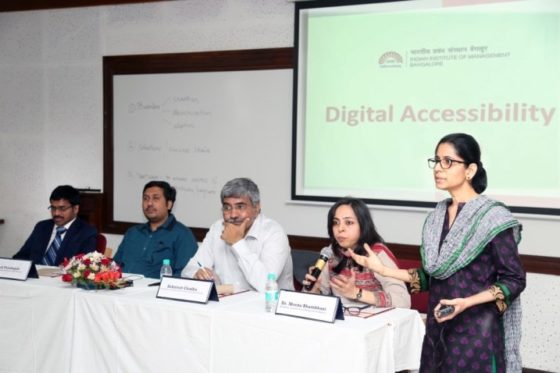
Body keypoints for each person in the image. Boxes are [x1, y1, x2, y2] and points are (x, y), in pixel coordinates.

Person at [349, 133, 526, 373]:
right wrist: (382, 270)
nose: (438, 169)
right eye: (436, 161)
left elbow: (514, 280)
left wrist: (466, 303)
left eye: (448, 161)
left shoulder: (493, 218)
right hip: (438, 327)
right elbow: (433, 276)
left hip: (477, 332)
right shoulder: (436, 218)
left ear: (470, 170)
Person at [181, 177, 294, 294]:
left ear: (257, 208)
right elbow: (189, 269)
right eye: (227, 207)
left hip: (268, 307)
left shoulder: (274, 233)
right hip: (226, 306)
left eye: (240, 207)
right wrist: (196, 273)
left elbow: (266, 285)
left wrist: (237, 243)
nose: (233, 214)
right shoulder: (217, 228)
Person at [301, 197, 410, 309]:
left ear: (363, 226)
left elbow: (402, 302)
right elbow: (308, 306)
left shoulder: (376, 255)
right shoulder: (330, 254)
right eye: (335, 222)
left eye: (349, 222)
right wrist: (314, 290)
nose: (340, 228)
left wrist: (356, 293)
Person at [114, 180, 198, 279]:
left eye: (156, 198)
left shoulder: (183, 235)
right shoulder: (133, 232)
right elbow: (115, 266)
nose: (149, 203)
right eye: (146, 198)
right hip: (120, 289)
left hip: (153, 292)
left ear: (169, 204)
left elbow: (185, 274)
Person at [14, 185, 98, 266]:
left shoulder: (87, 232)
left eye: (62, 208)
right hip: (34, 277)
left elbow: (84, 267)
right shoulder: (42, 227)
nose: (56, 213)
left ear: (75, 209)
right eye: (53, 208)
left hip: (61, 279)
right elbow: (21, 256)